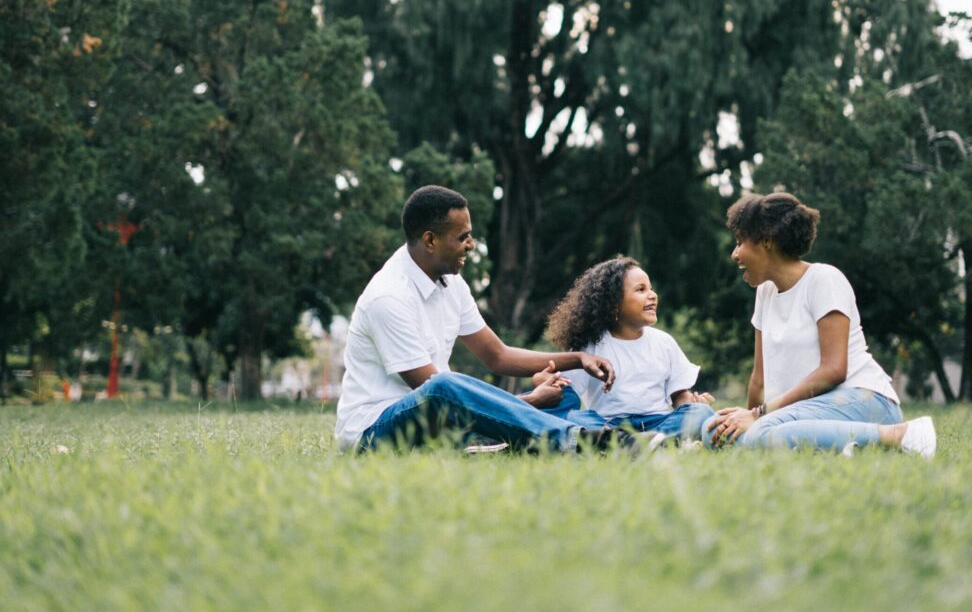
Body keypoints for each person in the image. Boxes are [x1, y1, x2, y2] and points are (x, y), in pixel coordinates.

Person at [335, 185, 635, 454]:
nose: (472, 244)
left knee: (563, 398)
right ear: (430, 240)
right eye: (463, 237)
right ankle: (574, 439)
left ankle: (618, 436)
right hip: (374, 431)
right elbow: (435, 395)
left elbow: (498, 356)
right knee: (443, 385)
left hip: (440, 421)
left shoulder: (452, 283)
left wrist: (578, 358)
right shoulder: (388, 297)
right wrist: (527, 403)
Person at [704, 192, 936, 457]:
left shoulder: (824, 280)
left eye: (739, 242)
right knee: (713, 432)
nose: (735, 254)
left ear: (766, 241)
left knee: (764, 433)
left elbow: (834, 370)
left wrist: (759, 416)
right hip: (801, 412)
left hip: (861, 399)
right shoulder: (765, 293)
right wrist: (745, 419)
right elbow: (759, 380)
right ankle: (840, 446)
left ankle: (900, 435)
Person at [543, 257, 716, 440]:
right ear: (613, 304)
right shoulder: (590, 346)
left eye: (651, 288)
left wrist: (692, 405)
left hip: (658, 422)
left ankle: (649, 441)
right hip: (608, 425)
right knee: (574, 417)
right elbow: (566, 395)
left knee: (701, 413)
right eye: (641, 290)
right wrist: (546, 380)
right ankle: (628, 442)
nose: (652, 295)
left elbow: (679, 394)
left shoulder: (664, 342)